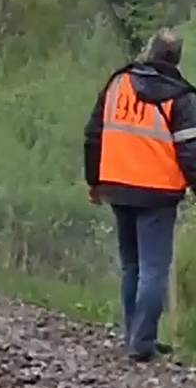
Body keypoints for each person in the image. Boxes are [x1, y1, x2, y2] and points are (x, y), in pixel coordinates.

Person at [84, 27, 196, 362]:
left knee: (131, 265)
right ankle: (142, 343)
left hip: (117, 185)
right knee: (153, 269)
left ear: (149, 51)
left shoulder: (118, 83)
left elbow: (94, 134)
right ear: (176, 59)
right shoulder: (183, 99)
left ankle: (133, 335)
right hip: (158, 193)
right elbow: (190, 153)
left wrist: (94, 180)